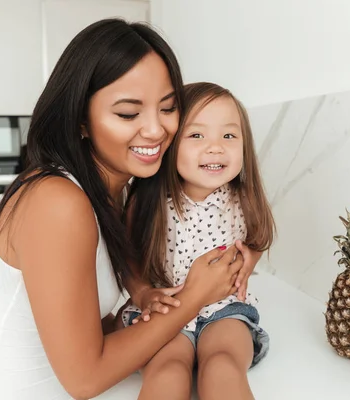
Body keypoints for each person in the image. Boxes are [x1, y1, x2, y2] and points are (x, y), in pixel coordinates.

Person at [0, 20, 258, 400]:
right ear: (82, 119)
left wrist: (153, 304)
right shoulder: (57, 201)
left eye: (167, 108)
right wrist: (194, 298)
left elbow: (87, 330)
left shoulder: (112, 194)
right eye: (128, 114)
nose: (155, 130)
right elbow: (84, 378)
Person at [121, 82, 277, 400]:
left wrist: (250, 262)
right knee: (168, 369)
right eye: (197, 135)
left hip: (225, 309)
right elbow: (126, 257)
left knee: (222, 365)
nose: (215, 147)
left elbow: (258, 238)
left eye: (229, 136)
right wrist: (143, 292)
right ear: (171, 144)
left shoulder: (242, 199)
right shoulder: (150, 201)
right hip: (168, 308)